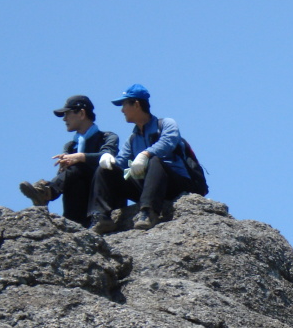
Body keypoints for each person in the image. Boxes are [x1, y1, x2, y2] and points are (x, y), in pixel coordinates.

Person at [85, 84, 200, 233]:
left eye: (124, 104)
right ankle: (101, 218)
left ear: (137, 104)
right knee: (105, 170)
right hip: (149, 186)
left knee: (155, 161)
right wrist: (109, 160)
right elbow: (121, 162)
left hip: (175, 183)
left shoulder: (166, 124)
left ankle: (148, 212)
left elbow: (167, 143)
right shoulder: (133, 139)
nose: (122, 110)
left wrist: (145, 154)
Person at [19, 96, 119, 227]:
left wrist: (79, 157)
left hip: (103, 196)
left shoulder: (107, 137)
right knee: (73, 171)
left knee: (78, 166)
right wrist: (64, 167)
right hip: (79, 200)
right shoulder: (71, 146)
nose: (64, 119)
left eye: (67, 114)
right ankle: (68, 217)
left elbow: (108, 156)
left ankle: (47, 192)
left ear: (82, 113)